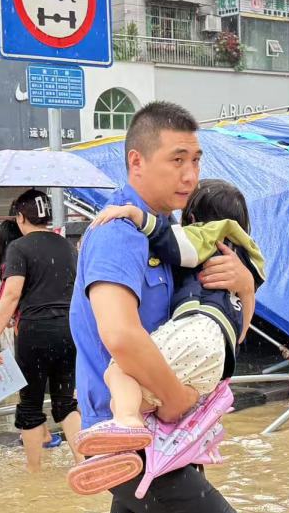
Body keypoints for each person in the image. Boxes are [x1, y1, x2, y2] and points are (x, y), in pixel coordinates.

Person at [69, 101, 289, 513]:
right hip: (142, 428)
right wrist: (175, 398)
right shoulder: (117, 233)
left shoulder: (171, 238)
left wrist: (244, 285)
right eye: (178, 159)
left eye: (197, 159)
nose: (191, 173)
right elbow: (118, 334)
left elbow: (222, 322)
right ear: (136, 161)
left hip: (147, 434)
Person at [68, 179, 265, 494]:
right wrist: (246, 288)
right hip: (218, 359)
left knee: (120, 371)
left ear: (193, 219)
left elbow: (170, 242)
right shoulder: (248, 256)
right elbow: (240, 333)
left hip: (194, 332)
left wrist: (135, 214)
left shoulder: (197, 238)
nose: (186, 175)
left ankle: (125, 425)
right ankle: (117, 449)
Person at [0, 190, 83, 473]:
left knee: (30, 404)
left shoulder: (19, 248)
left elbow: (11, 294)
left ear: (20, 217)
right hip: (68, 330)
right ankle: (82, 462)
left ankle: (34, 472)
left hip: (35, 332)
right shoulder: (66, 246)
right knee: (66, 402)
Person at [0, 217, 62, 451]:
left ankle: (37, 437)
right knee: (58, 393)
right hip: (54, 328)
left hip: (26, 330)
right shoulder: (43, 255)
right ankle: (46, 433)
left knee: (29, 393)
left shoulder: (14, 260)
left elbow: (9, 297)